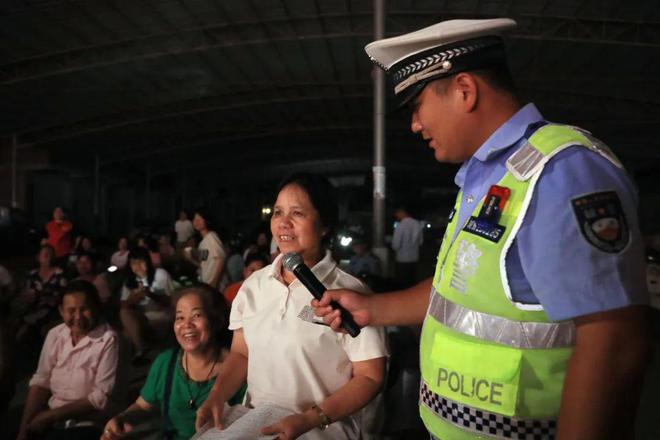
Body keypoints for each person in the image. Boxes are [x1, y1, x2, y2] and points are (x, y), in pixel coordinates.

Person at [313, 18, 651, 439]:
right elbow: (460, 290)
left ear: (465, 91)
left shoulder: (561, 172)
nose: (415, 125)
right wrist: (374, 309)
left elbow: (614, 343)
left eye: (416, 106)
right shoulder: (486, 178)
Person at [196, 173, 387, 440]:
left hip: (323, 428)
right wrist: (216, 397)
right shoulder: (254, 285)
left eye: (297, 213)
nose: (283, 223)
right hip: (258, 422)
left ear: (324, 225)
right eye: (277, 212)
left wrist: (310, 418)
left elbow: (370, 377)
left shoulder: (351, 292)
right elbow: (241, 354)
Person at [101, 285, 245, 440]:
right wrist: (122, 419)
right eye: (180, 318)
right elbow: (143, 406)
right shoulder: (166, 363)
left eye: (196, 316)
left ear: (217, 320)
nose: (187, 325)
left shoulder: (238, 369)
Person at [17, 280, 120, 440]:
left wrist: (49, 416)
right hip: (52, 420)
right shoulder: (55, 335)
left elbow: (100, 398)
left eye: (84, 309)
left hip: (89, 422)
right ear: (61, 311)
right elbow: (41, 382)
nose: (78, 317)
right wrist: (24, 430)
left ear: (96, 309)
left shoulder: (108, 340)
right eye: (71, 310)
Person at [119, 247, 174, 359]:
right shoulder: (129, 282)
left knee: (127, 332)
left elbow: (172, 301)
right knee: (124, 314)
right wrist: (134, 299)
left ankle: (141, 351)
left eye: (141, 262)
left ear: (148, 261)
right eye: (133, 263)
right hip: (142, 320)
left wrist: (150, 294)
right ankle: (142, 348)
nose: (137, 266)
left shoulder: (160, 275)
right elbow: (123, 306)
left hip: (161, 318)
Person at [18, 245, 67, 342]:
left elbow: (63, 294)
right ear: (39, 257)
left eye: (50, 254)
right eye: (45, 254)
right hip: (33, 308)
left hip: (52, 310)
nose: (48, 257)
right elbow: (26, 293)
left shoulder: (59, 273)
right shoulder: (32, 274)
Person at [184, 208, 228, 291]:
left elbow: (221, 259)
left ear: (206, 220)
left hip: (216, 285)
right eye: (195, 219)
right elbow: (204, 265)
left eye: (200, 219)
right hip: (207, 283)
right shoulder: (202, 243)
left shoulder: (212, 237)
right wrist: (190, 259)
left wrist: (214, 281)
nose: (197, 222)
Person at [391, 206, 423, 287]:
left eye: (397, 215)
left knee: (402, 283)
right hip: (414, 258)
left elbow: (396, 244)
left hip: (402, 259)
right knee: (412, 281)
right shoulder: (417, 224)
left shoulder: (400, 225)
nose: (397, 217)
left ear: (401, 213)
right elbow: (420, 242)